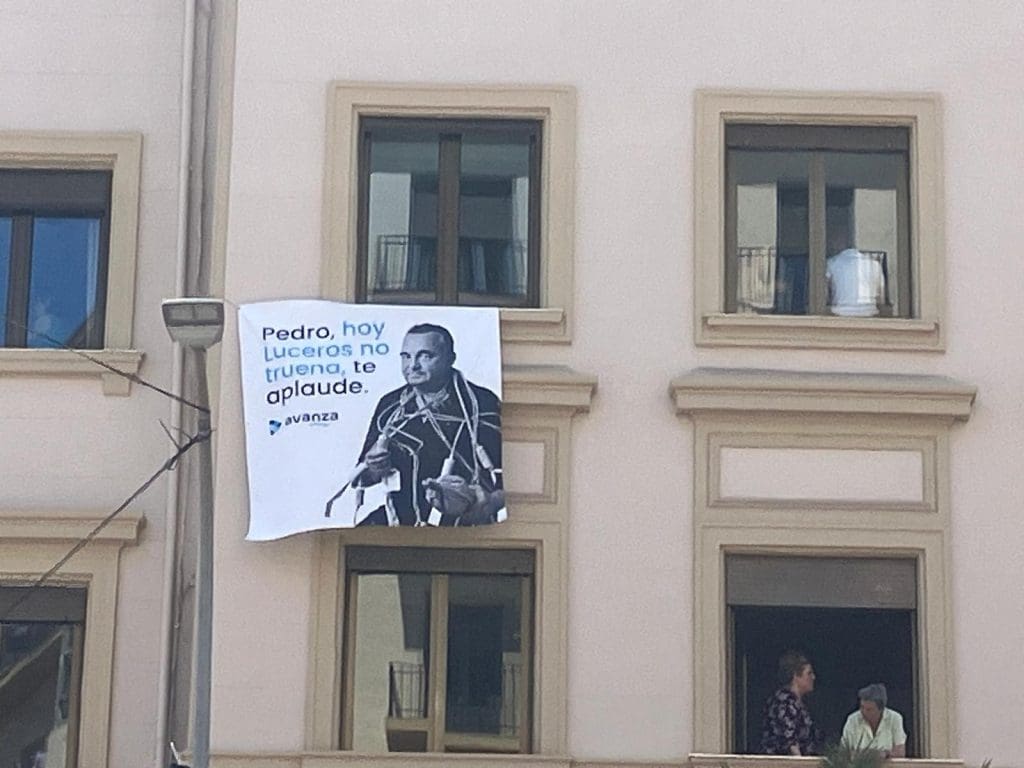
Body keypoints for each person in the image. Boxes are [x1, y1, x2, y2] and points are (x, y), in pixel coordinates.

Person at [328, 323, 504, 527]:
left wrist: (489, 505)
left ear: (450, 359)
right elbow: (364, 478)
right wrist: (375, 466)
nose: (413, 365)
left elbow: (512, 480)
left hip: (461, 522)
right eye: (406, 356)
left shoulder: (481, 403)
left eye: (425, 356)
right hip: (401, 521)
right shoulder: (391, 406)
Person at [761, 650, 821, 756]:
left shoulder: (800, 704)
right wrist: (800, 762)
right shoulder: (783, 703)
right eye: (809, 673)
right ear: (796, 676)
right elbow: (790, 742)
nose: (813, 677)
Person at [841, 683, 907, 758]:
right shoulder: (852, 720)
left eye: (869, 709)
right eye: (862, 707)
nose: (863, 712)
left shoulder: (895, 718)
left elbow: (900, 752)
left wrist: (885, 754)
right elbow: (843, 752)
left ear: (881, 709)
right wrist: (868, 755)